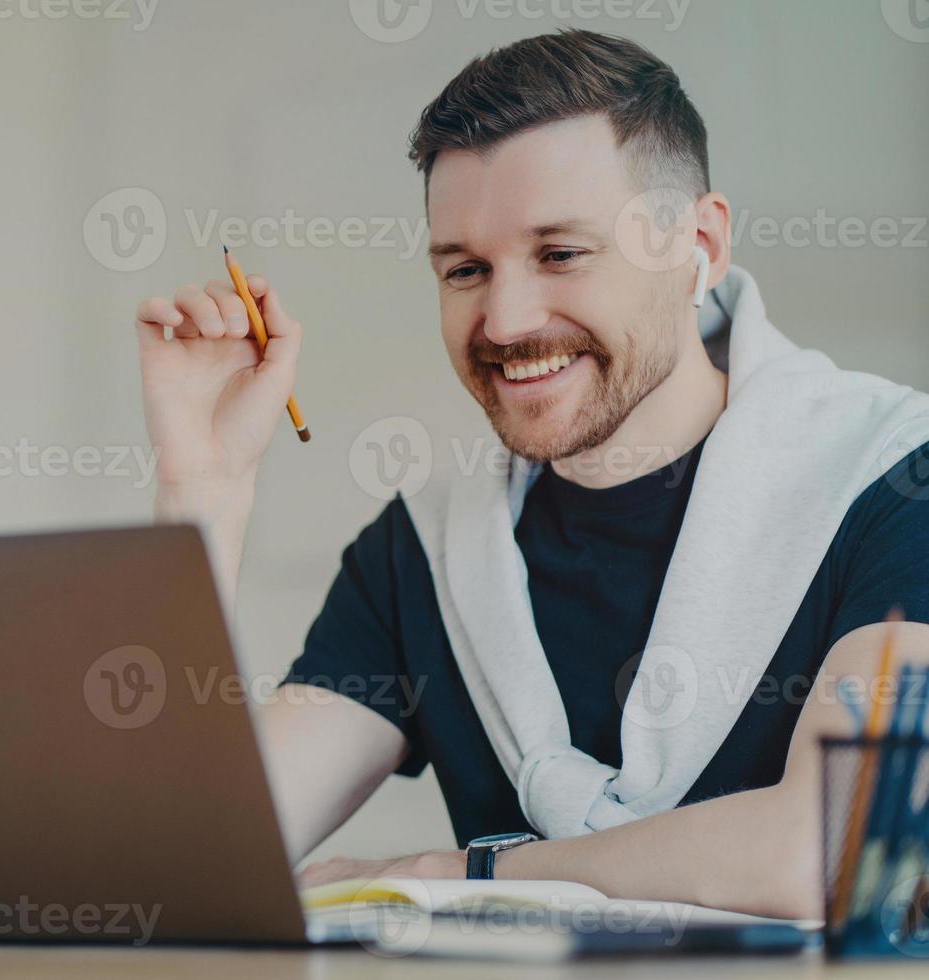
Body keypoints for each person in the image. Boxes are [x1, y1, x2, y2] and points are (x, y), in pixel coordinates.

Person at [133, 29, 929, 919]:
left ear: (699, 245)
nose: (506, 321)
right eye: (465, 269)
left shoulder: (894, 482)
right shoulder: (421, 556)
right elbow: (175, 864)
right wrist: (205, 489)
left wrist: (462, 876)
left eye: (561, 254)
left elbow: (838, 847)